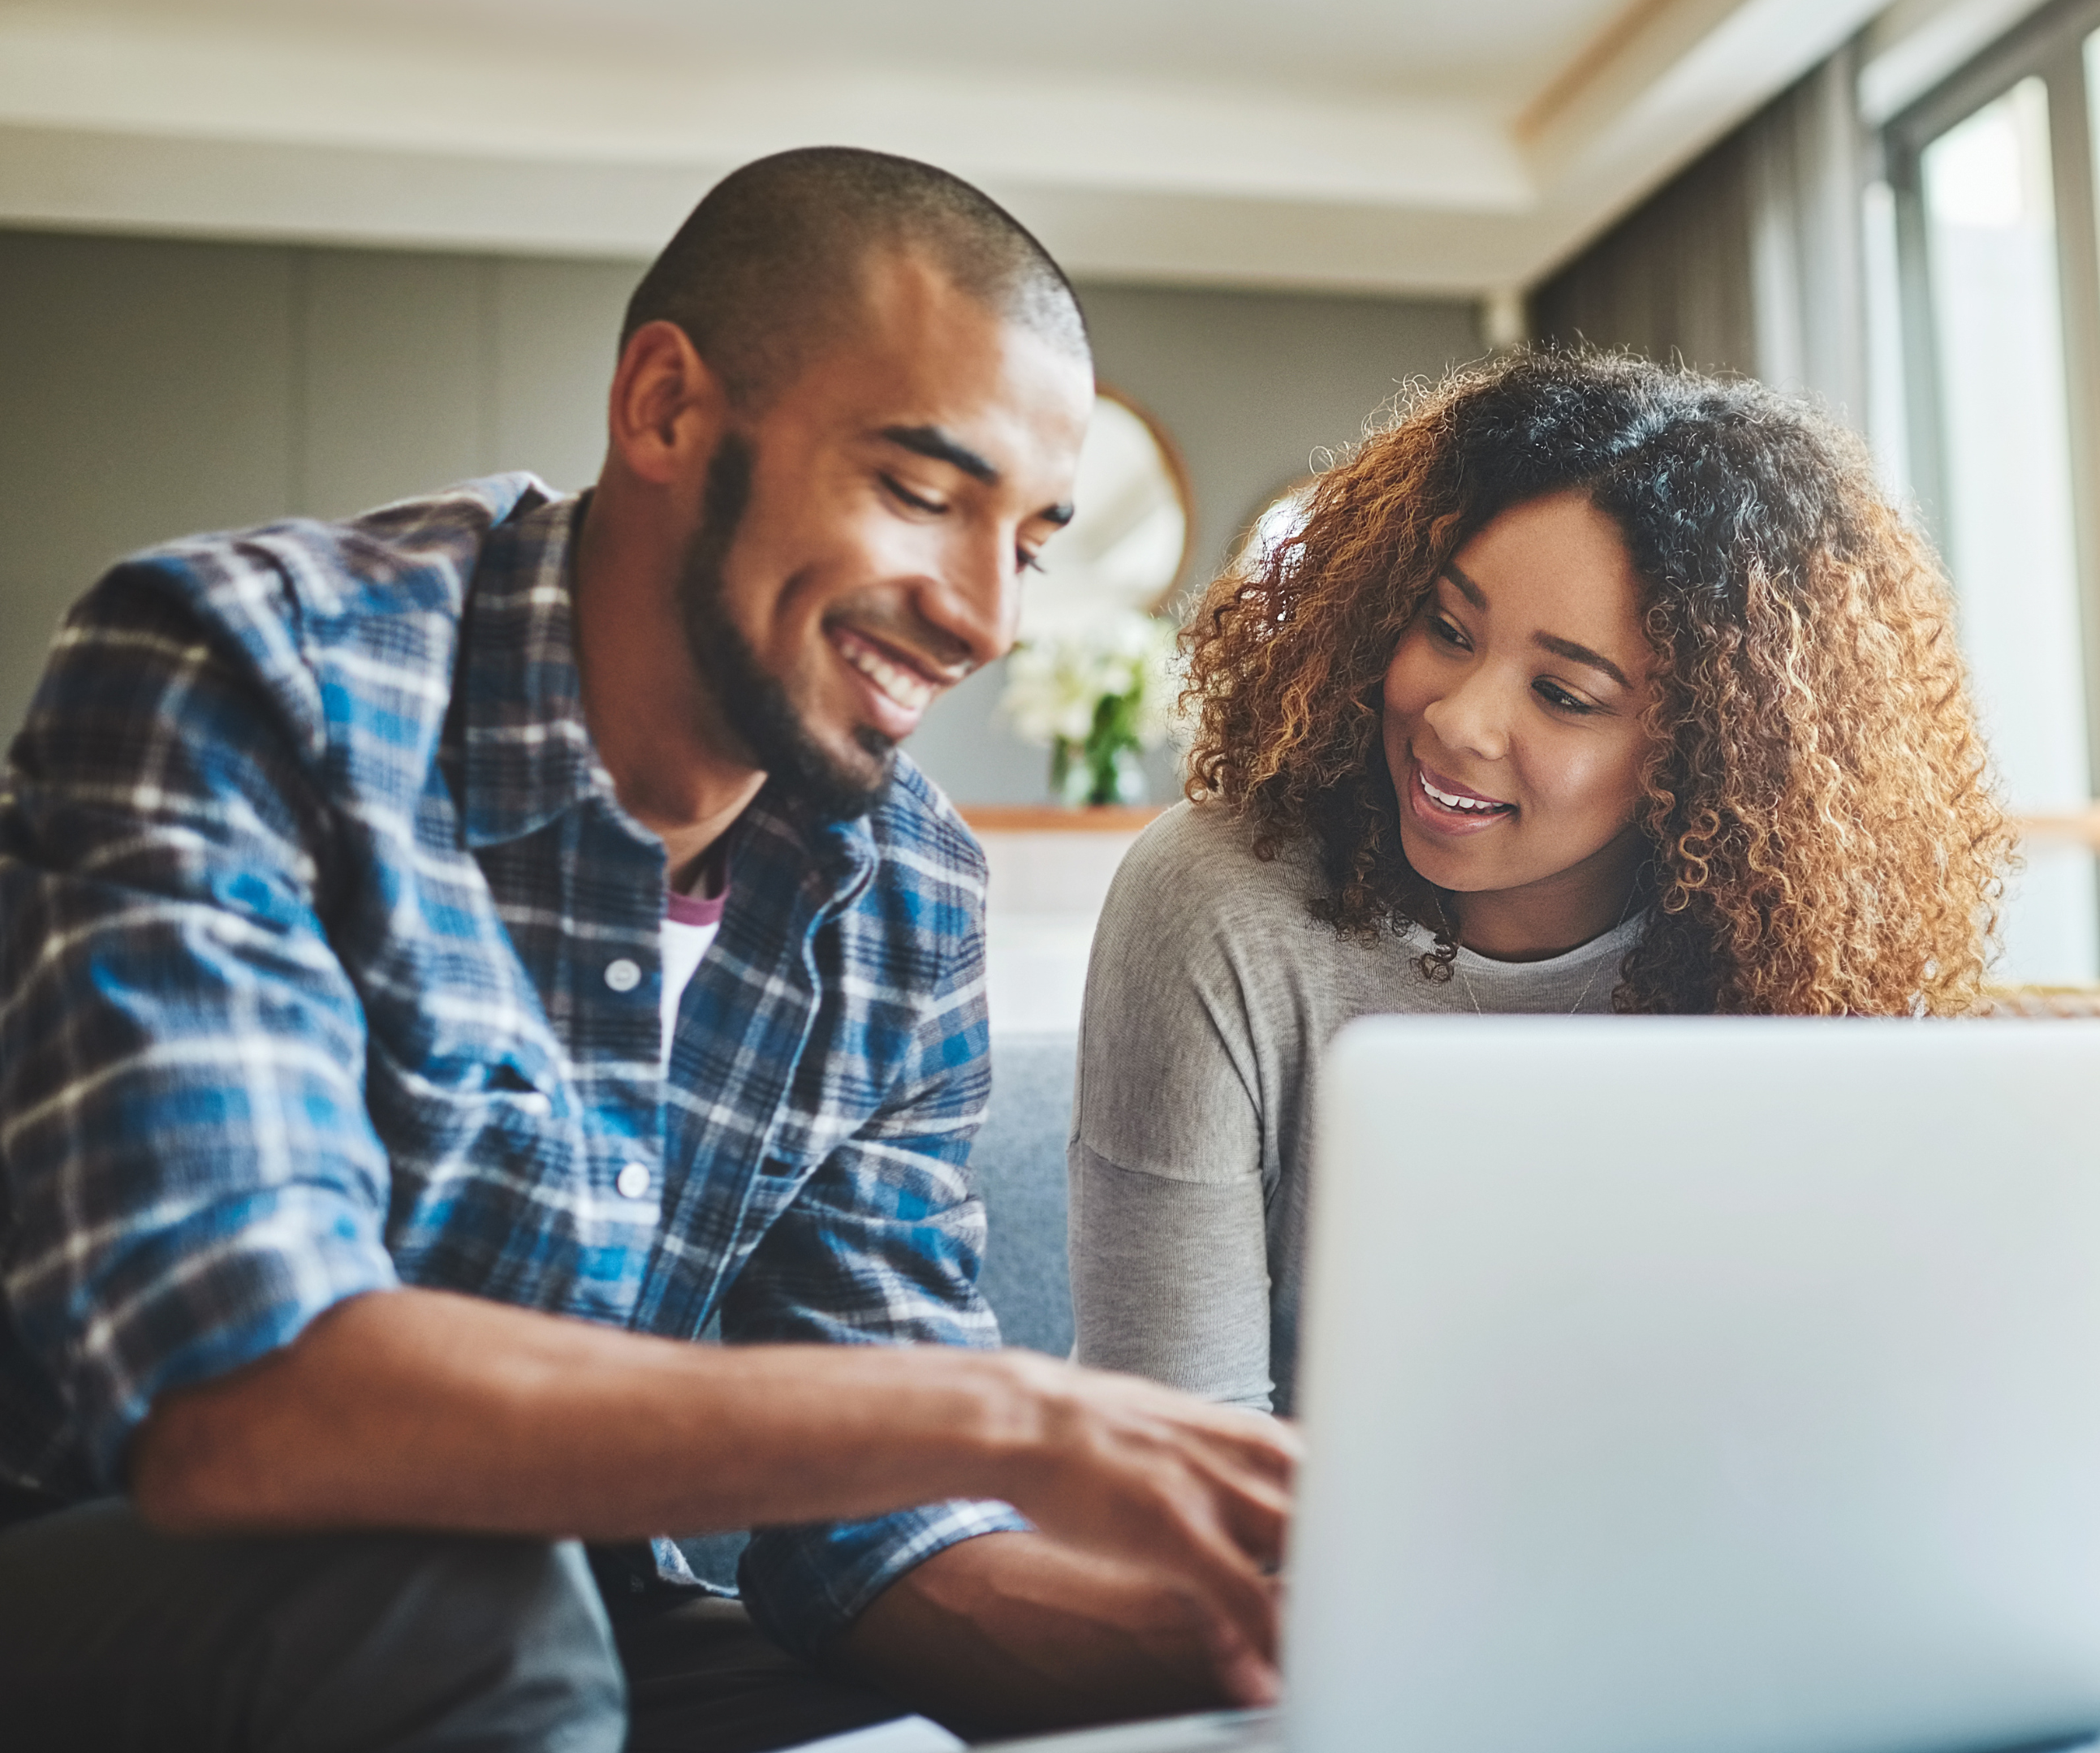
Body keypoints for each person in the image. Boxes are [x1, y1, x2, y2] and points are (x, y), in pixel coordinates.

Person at [0, 147, 1296, 1751]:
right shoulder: (250, 676)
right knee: (470, 1608)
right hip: (112, 1581)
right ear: (666, 409)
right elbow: (234, 1404)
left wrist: (1270, 1645)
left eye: (1026, 542)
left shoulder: (903, 899)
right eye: (917, 493)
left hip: (559, 1617)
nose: (983, 620)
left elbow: (877, 1543)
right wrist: (1013, 1412)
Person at [1068, 350, 2016, 1415]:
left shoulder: (1808, 954)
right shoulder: (1217, 901)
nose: (1458, 720)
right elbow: (1170, 1445)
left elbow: (1856, 1395)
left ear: (1705, 751)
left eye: (1564, 695)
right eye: (1447, 629)